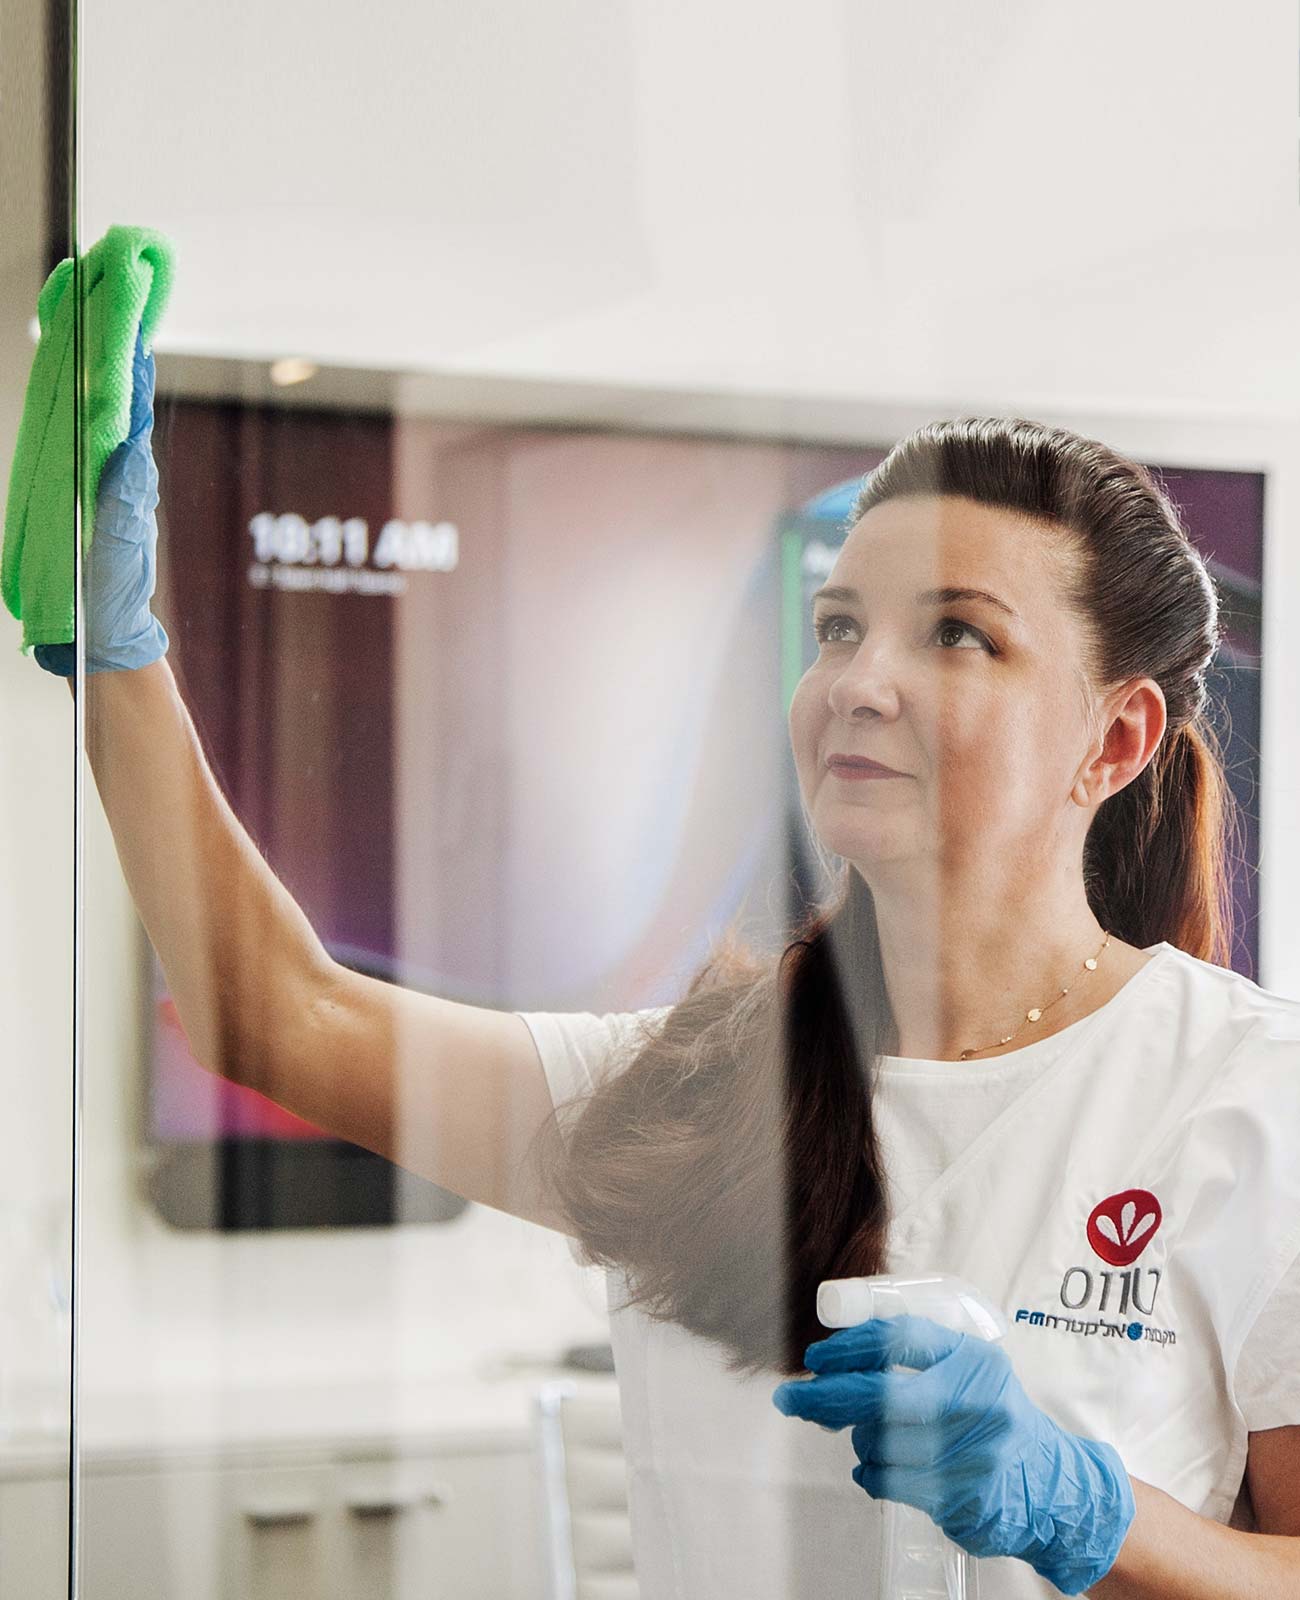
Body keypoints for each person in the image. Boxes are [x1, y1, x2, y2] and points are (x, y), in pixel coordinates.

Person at [46, 352, 1300, 1598]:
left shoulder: (1246, 1098)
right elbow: (274, 1013)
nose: (860, 685)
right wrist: (120, 661)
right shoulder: (694, 1091)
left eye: (957, 633)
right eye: (840, 626)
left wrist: (1087, 1511)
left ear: (1117, 737)